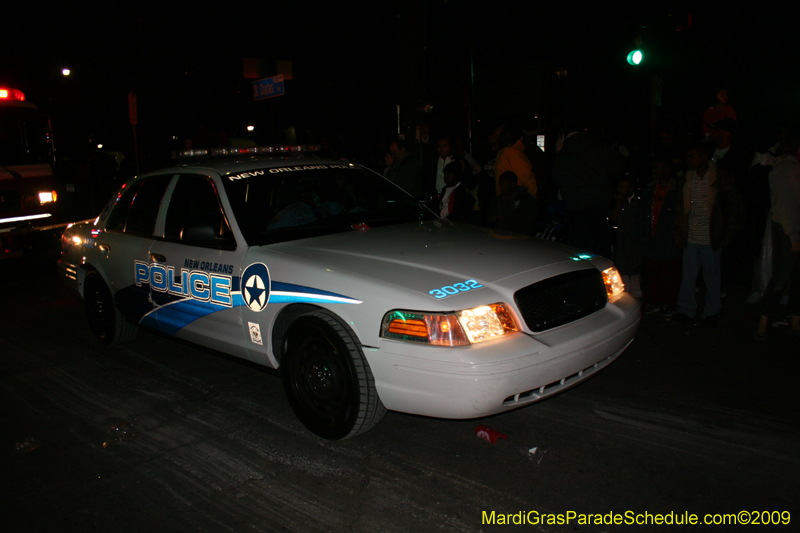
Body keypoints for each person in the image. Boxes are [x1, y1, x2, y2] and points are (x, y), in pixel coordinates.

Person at [673, 142, 744, 325]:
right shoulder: (688, 178)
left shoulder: (719, 177)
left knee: (711, 278)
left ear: (704, 157)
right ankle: (686, 310)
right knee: (688, 277)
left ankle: (712, 312)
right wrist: (680, 232)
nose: (688, 161)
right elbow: (680, 209)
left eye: (692, 157)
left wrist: (725, 236)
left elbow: (734, 208)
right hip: (691, 237)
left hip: (711, 236)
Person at [756, 128, 800, 339]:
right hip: (787, 229)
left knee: (797, 277)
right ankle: (763, 323)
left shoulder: (790, 166)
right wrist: (793, 234)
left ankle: (794, 320)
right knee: (782, 276)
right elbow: (786, 205)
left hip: (790, 227)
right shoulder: (787, 167)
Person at [640, 156, 681, 316]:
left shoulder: (676, 189)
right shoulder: (650, 188)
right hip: (652, 236)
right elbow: (642, 213)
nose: (654, 172)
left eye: (658, 168)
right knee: (653, 271)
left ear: (666, 170)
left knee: (669, 272)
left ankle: (668, 303)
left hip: (669, 238)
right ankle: (653, 301)